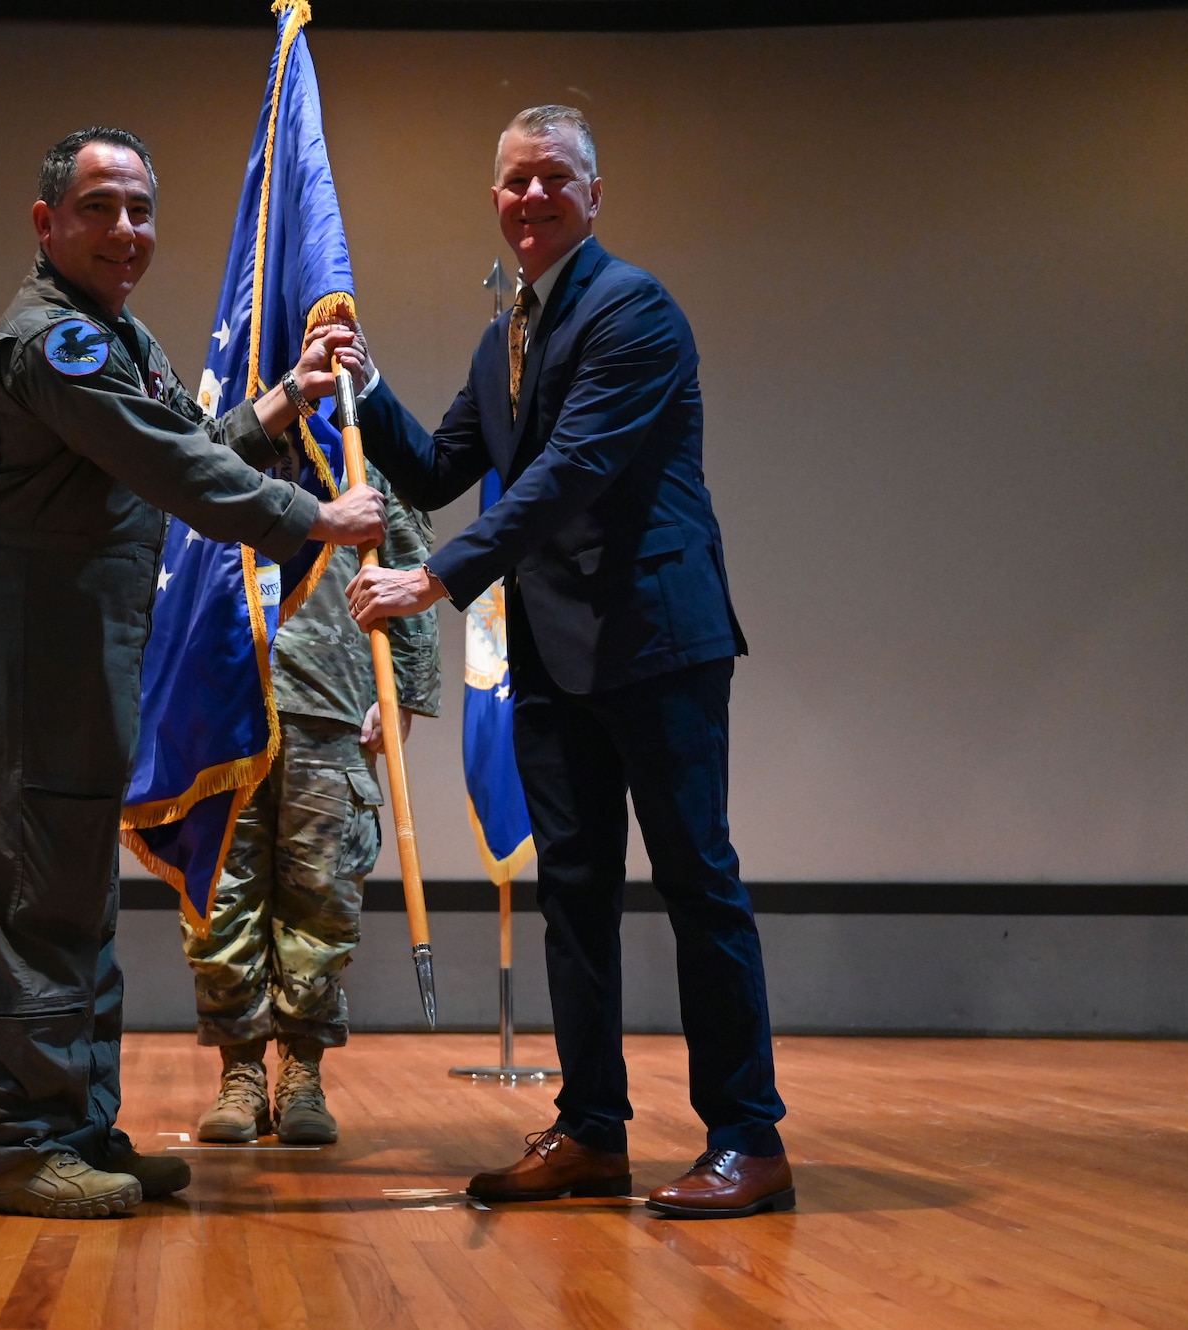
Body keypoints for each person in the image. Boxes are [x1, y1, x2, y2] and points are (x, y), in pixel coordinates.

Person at [338, 105, 794, 1218]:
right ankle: (590, 1129)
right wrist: (359, 378)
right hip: (551, 655)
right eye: (512, 182)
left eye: (552, 178)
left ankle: (747, 1139)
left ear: (593, 195)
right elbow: (439, 464)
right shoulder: (504, 337)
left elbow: (572, 469)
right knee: (573, 895)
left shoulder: (633, 308)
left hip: (656, 645)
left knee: (697, 886)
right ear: (493, 200)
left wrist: (431, 580)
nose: (530, 198)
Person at [0, 126, 386, 1220]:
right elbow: (170, 465)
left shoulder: (112, 339)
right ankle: (11, 1144)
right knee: (29, 905)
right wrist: (312, 515)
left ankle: (77, 1127)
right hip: (26, 676)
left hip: (79, 674)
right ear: (47, 224)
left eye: (138, 207)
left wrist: (282, 399)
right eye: (98, 207)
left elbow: (183, 440)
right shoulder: (50, 344)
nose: (124, 229)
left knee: (75, 908)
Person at [186, 469, 439, 1146]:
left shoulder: (357, 456)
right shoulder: (223, 445)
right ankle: (239, 1072)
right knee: (221, 899)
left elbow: (413, 565)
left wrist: (405, 693)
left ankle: (302, 1070)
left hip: (333, 706)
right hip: (223, 709)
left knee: (322, 904)